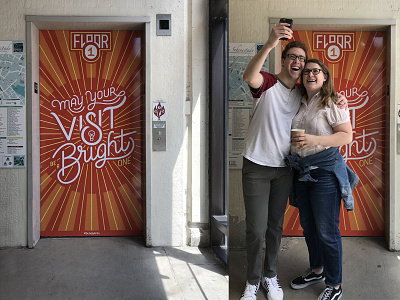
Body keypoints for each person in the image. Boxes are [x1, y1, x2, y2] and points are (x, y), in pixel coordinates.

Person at [239, 23, 347, 300]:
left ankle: (270, 276)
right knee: (255, 228)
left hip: (288, 168)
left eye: (303, 59)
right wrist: (270, 42)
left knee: (277, 226)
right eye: (294, 57)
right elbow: (248, 75)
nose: (299, 63)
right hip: (257, 165)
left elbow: (329, 108)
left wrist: (338, 97)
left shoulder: (303, 94)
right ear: (285, 60)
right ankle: (252, 281)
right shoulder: (268, 83)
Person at [287, 59, 358, 300]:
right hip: (301, 172)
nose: (310, 74)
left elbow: (346, 136)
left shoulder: (332, 101)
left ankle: (335, 285)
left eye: (316, 71)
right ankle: (317, 270)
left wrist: (314, 140)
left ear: (325, 76)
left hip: (324, 173)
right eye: (306, 71)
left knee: (327, 231)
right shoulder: (298, 101)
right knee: (309, 227)